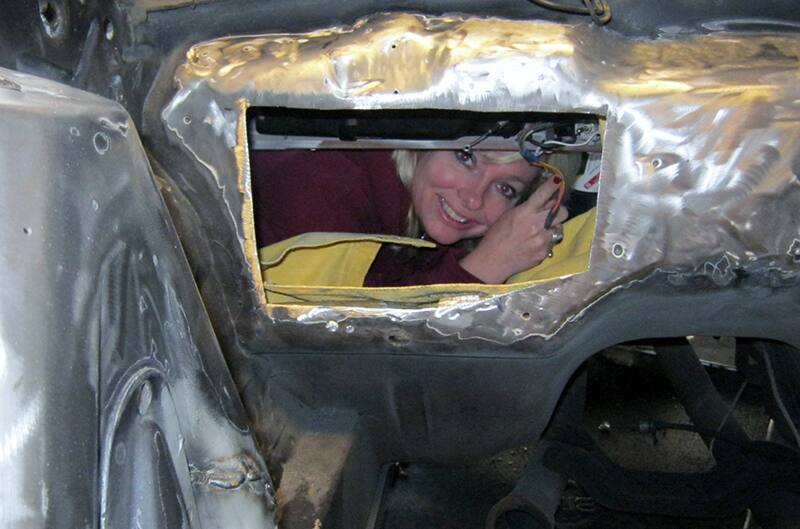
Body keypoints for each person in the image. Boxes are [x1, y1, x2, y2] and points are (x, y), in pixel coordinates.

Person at [251, 148, 567, 286]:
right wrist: (489, 264)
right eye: (466, 157)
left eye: (505, 189)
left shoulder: (417, 217)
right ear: (420, 145)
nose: (473, 198)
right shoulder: (321, 183)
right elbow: (341, 347)